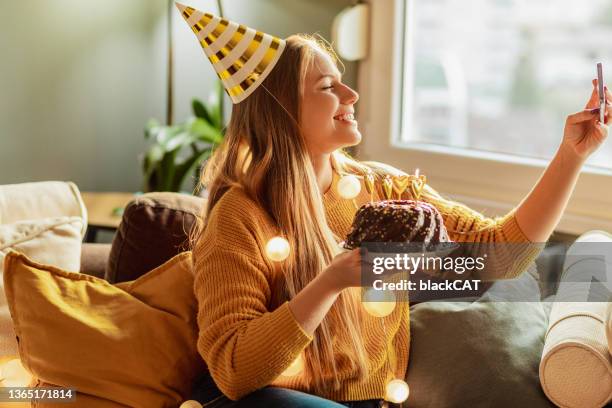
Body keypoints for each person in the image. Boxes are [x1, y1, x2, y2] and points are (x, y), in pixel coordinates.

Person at [176, 4, 610, 407]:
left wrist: (571, 155)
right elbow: (233, 370)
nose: (352, 94)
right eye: (329, 87)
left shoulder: (384, 190)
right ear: (283, 112)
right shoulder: (240, 216)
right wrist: (331, 281)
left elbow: (501, 250)